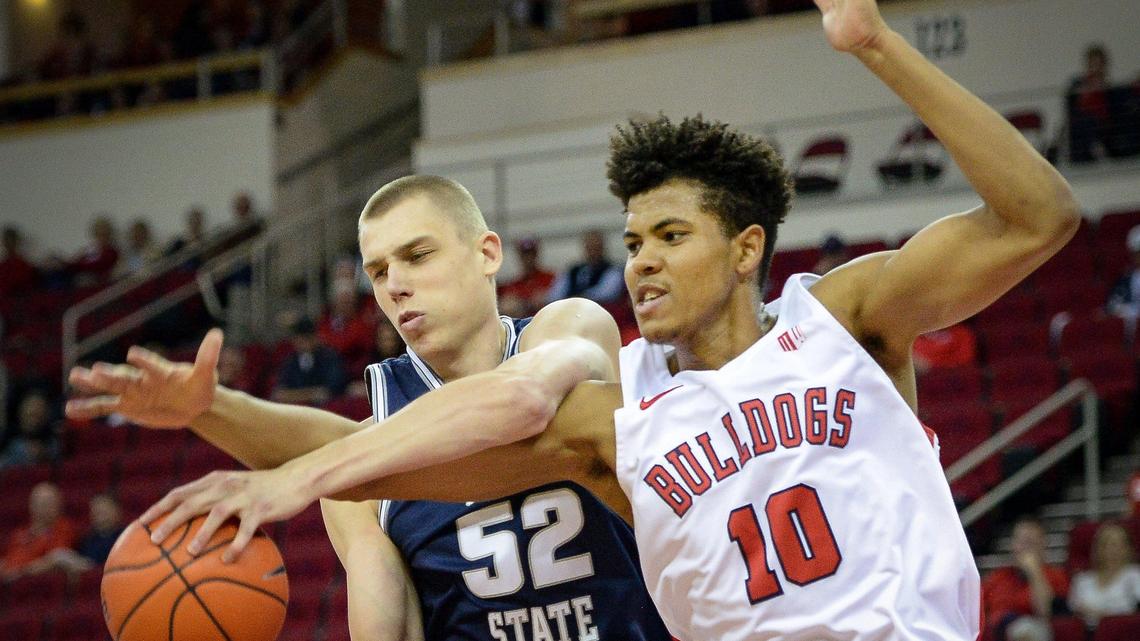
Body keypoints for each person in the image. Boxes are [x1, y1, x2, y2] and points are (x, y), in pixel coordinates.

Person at [69, 1, 1080, 639]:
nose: (639, 259)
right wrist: (238, 430)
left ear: (746, 249)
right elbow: (387, 454)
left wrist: (875, 44)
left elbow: (1040, 217)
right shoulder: (616, 416)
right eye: (631, 239)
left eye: (670, 235)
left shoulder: (847, 318)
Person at [70, 176, 669, 641]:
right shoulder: (363, 468)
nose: (395, 285)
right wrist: (208, 409)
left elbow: (519, 401)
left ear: (488, 253)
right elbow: (391, 624)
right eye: (378, 271)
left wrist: (301, 475)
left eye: (418, 254)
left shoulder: (571, 326)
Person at [982, 517, 1070, 641]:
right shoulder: (997, 577)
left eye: (1031, 543)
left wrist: (1034, 572)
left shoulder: (1055, 576)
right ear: (1013, 545)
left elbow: (1045, 612)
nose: (1025, 549)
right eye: (1021, 542)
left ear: (1043, 546)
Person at [0, 483, 78, 581]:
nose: (41, 508)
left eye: (47, 503)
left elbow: (56, 559)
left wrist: (21, 573)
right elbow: (7, 559)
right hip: (7, 583)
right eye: (37, 503)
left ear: (59, 505)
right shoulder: (20, 533)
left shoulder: (63, 528)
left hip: (35, 584)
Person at [1069, 522, 1140, 628]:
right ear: (1097, 548)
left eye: (1118, 544)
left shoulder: (1135, 574)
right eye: (1106, 543)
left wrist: (1099, 614)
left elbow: (1133, 611)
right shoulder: (1082, 580)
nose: (1112, 549)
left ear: (1128, 548)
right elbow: (1074, 610)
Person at [271, 317, 349, 406]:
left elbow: (331, 390)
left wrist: (294, 395)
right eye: (300, 339)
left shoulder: (329, 358)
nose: (303, 343)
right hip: (295, 411)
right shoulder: (291, 361)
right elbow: (280, 393)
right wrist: (310, 394)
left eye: (307, 338)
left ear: (316, 338)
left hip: (323, 410)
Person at [545, 229, 625, 306]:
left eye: (596, 247)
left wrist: (580, 298)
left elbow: (607, 293)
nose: (593, 251)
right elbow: (555, 294)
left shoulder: (613, 270)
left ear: (603, 248)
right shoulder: (573, 271)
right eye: (589, 247)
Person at [497, 236, 556, 315]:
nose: (528, 258)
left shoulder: (551, 278)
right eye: (525, 254)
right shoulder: (514, 285)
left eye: (531, 254)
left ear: (536, 254)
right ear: (520, 256)